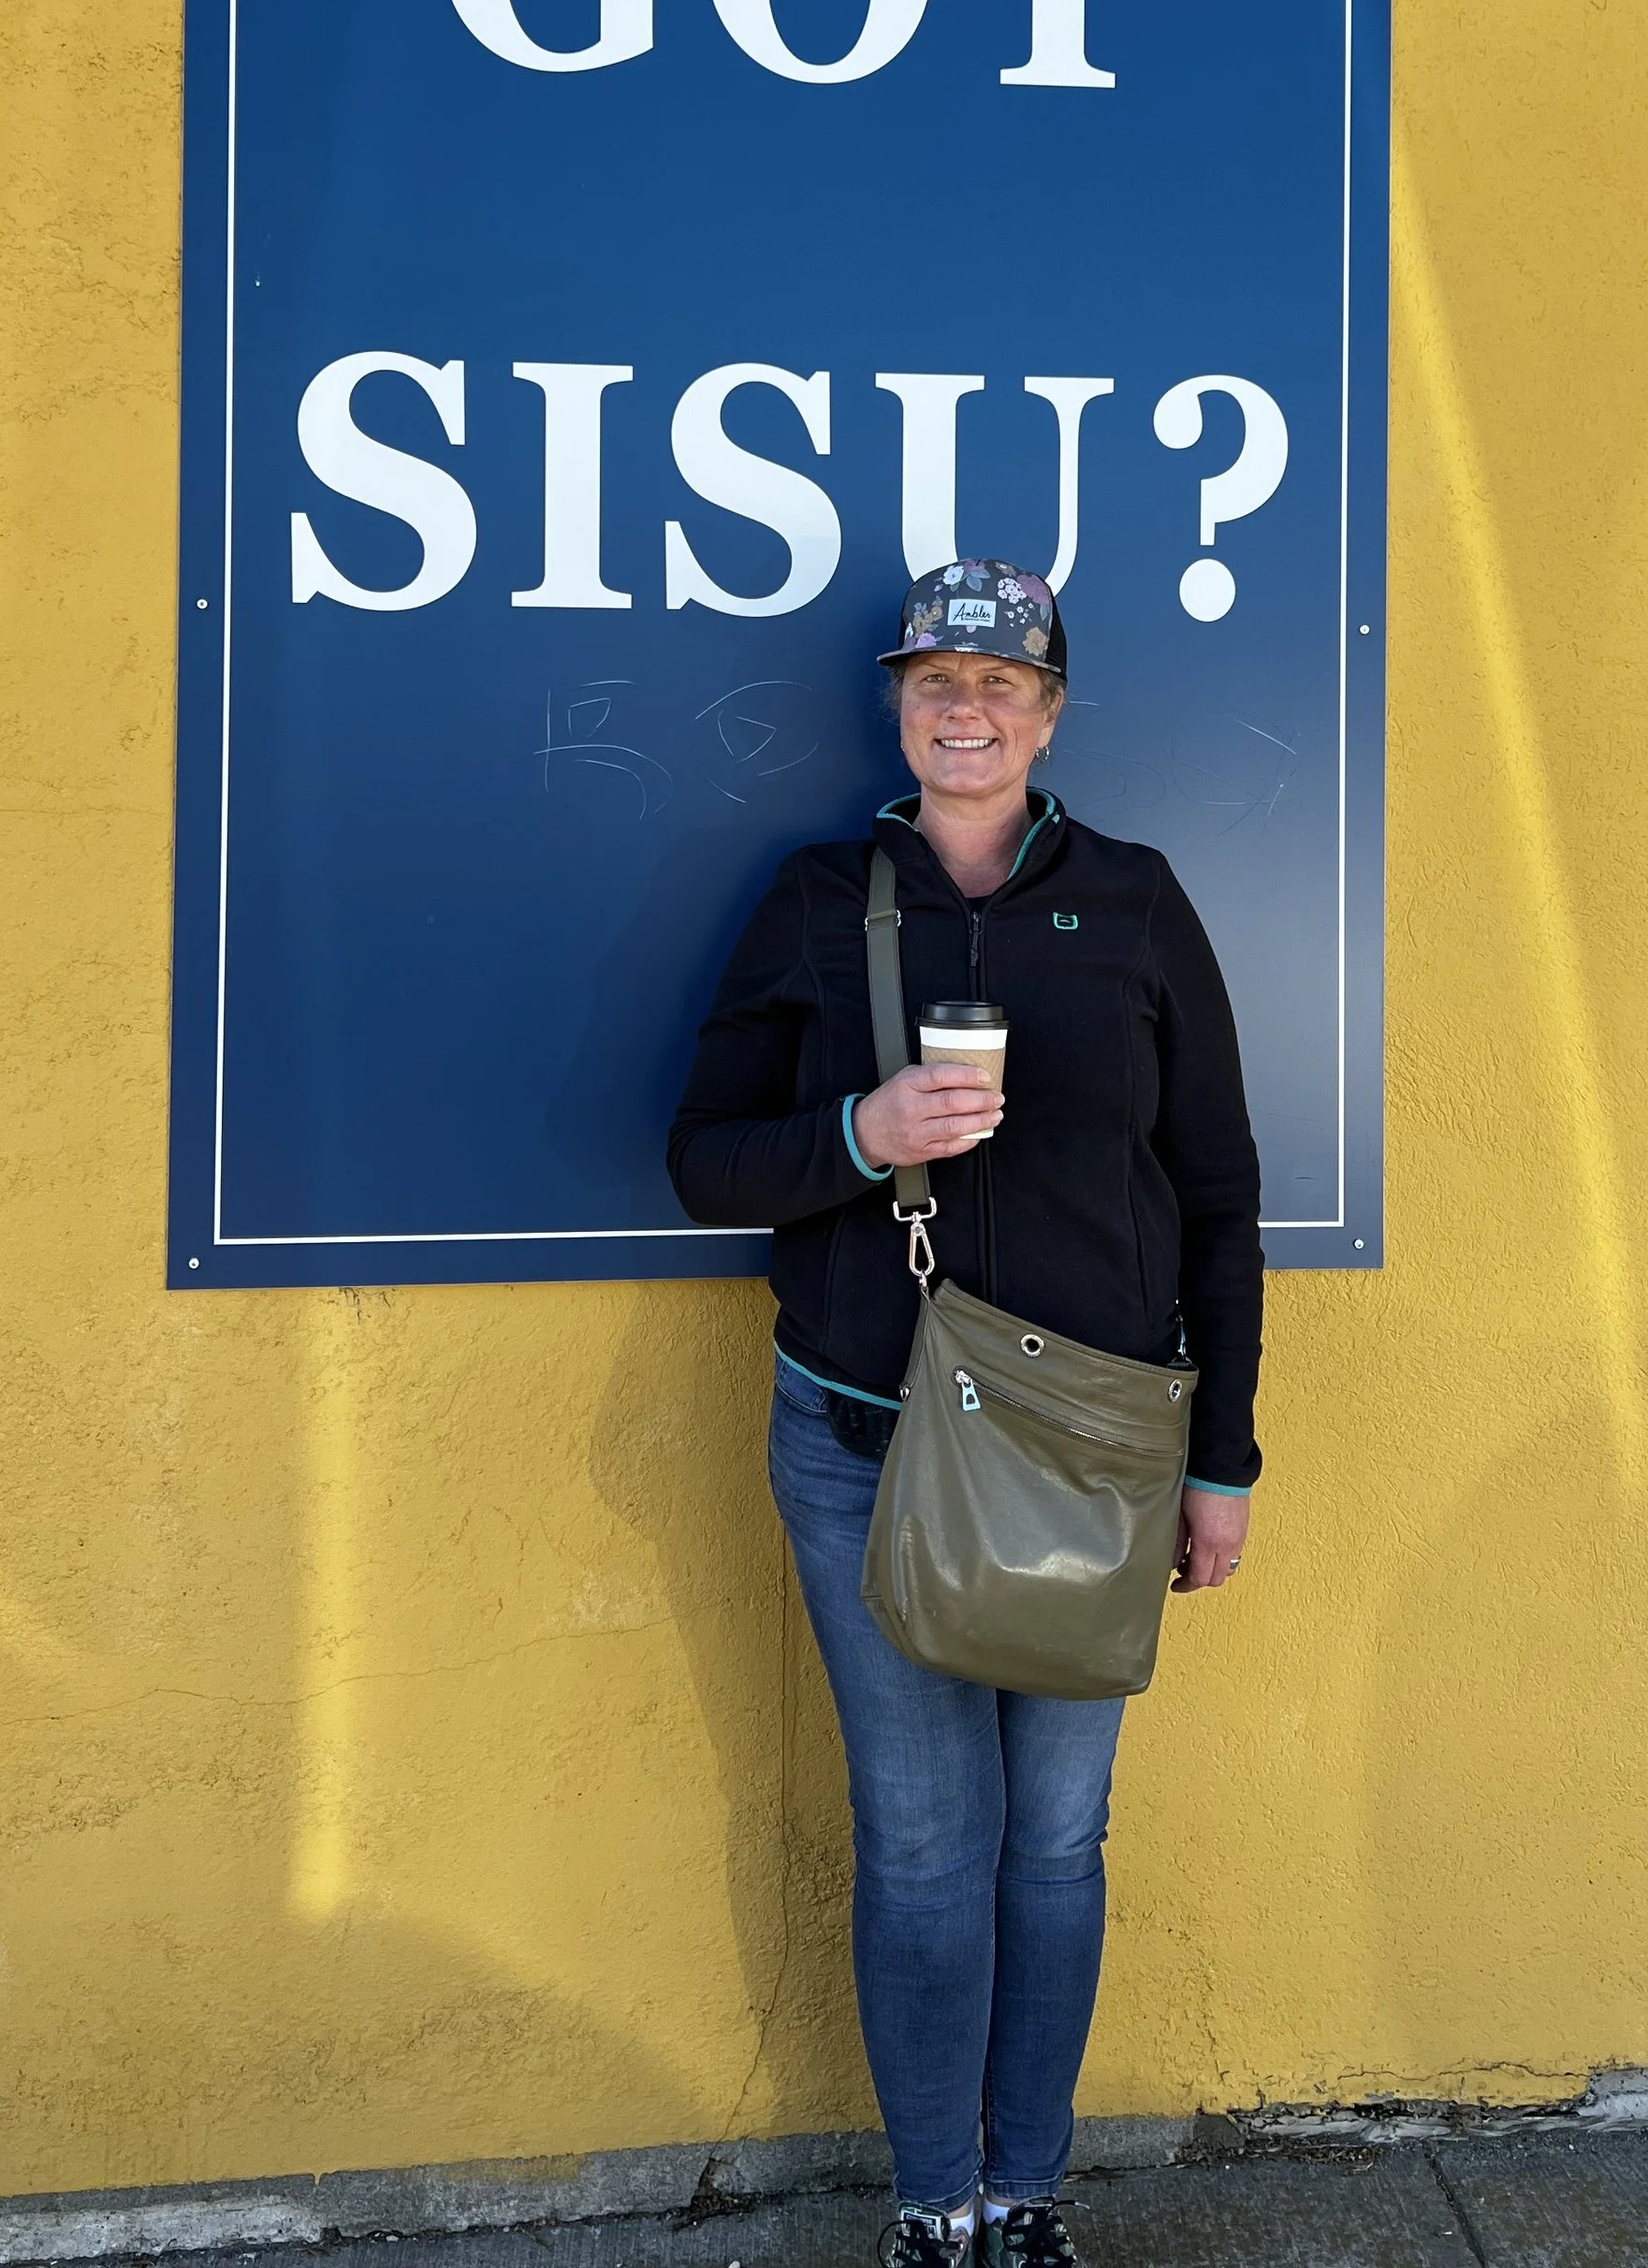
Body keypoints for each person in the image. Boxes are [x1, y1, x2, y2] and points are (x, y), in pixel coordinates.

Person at [668, 561, 1265, 2268]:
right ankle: (934, 2206)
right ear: (898, 705)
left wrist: (1221, 1461)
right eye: (937, 679)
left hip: (1091, 1459)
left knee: (1056, 1843)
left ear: (1051, 713)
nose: (969, 709)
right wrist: (862, 1138)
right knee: (928, 1845)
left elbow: (1218, 1199)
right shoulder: (815, 898)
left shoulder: (1137, 904)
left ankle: (1030, 2196)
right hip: (866, 1445)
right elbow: (705, 1163)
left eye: (1004, 685)